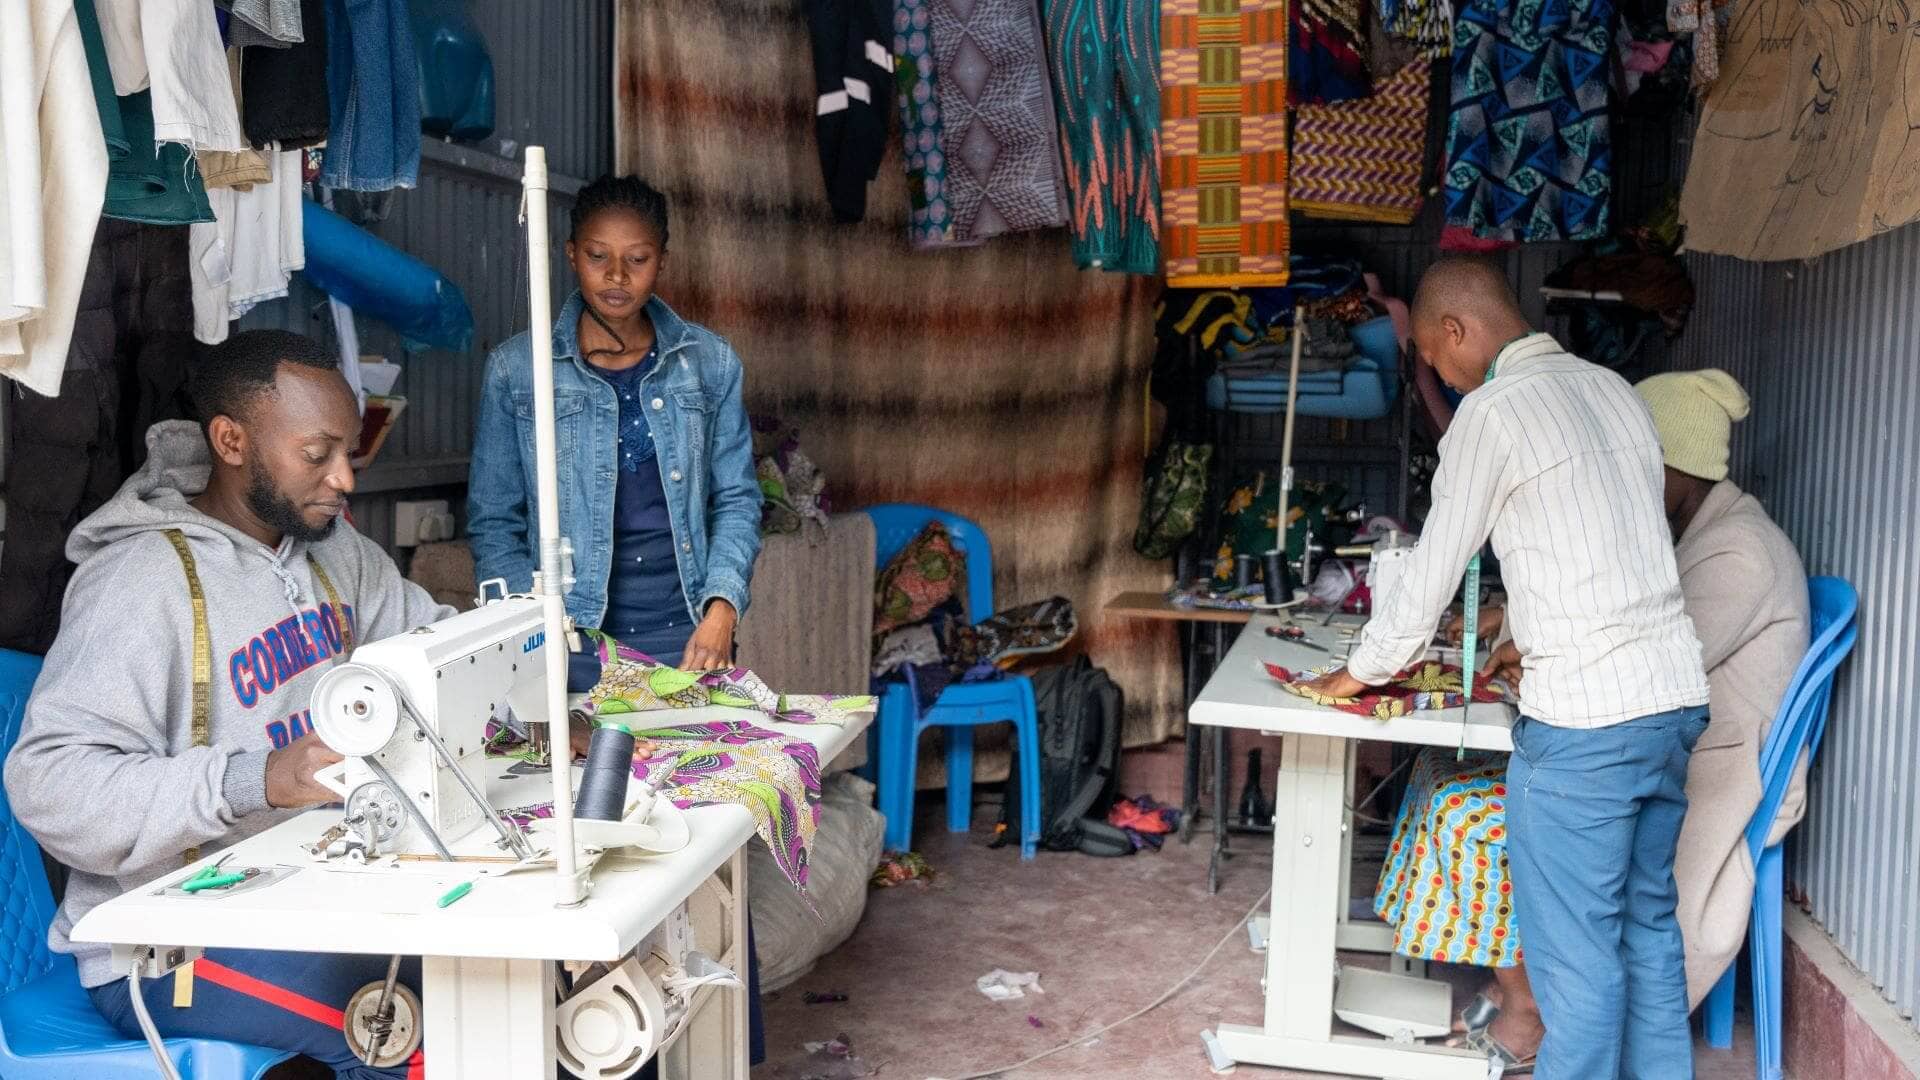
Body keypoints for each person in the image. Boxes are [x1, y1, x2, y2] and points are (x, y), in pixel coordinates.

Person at [1298, 258, 1711, 1080]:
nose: (1433, 373)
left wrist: (1366, 670)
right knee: (1646, 930)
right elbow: (1595, 547)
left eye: (1428, 353)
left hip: (1587, 723)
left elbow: (1430, 570)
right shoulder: (1613, 391)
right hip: (1671, 702)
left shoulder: (1493, 412)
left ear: (1456, 330)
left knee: (1576, 955)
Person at [3, 331, 454, 1078]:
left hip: (305, 893)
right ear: (232, 440)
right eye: (318, 454)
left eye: (351, 452)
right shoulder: (138, 582)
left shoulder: (338, 554)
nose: (344, 479)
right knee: (409, 1029)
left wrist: (540, 687)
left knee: (497, 974)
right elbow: (49, 783)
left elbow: (434, 643)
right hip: (166, 940)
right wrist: (255, 779)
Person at [1375, 368, 1812, 1069]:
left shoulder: (1739, 551)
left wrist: (1529, 656)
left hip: (1699, 769)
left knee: (1484, 823)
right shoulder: (1692, 535)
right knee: (1443, 775)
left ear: (1676, 467)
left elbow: (1637, 662)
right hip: (1655, 750)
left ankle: (1530, 1012)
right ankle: (1526, 1002)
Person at [468, 173, 763, 671]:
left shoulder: (710, 363)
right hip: (567, 639)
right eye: (597, 256)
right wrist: (529, 636)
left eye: (638, 259)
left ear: (662, 261)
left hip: (688, 636)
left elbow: (736, 499)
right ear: (570, 254)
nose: (617, 276)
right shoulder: (518, 371)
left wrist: (722, 612)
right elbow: (495, 521)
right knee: (583, 754)